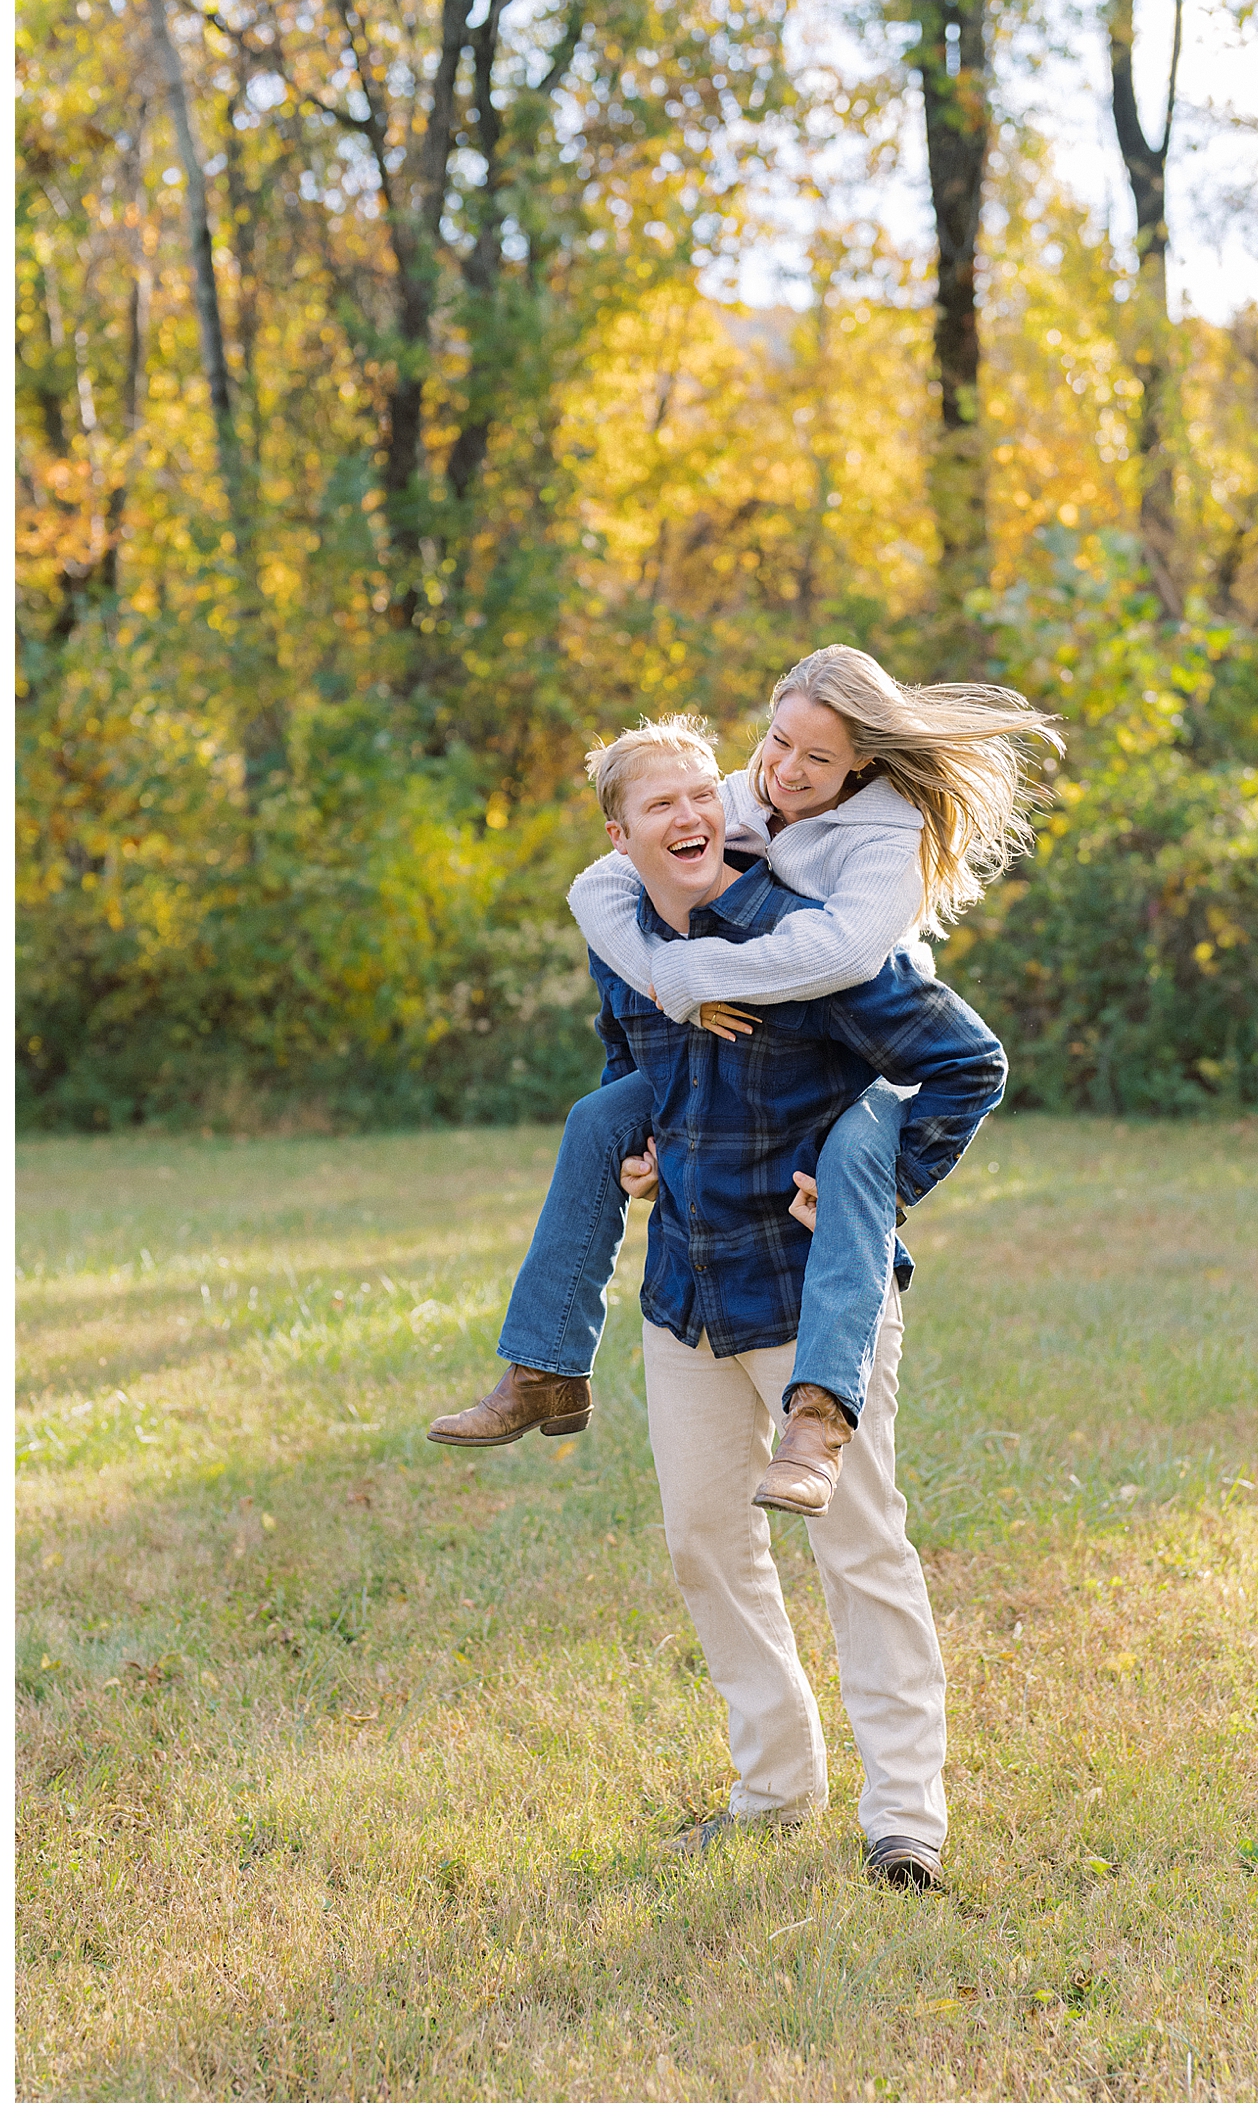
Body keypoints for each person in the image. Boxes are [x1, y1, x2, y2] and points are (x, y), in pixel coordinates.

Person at [436, 721, 1007, 1886]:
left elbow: (967, 1061)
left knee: (859, 1550)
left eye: (707, 792)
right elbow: (623, 1063)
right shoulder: (627, 941)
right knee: (704, 1541)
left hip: (808, 1297)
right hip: (684, 1292)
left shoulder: (812, 938)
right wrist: (634, 1145)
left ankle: (904, 1818)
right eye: (663, 805)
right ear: (623, 836)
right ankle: (776, 1785)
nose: (693, 815)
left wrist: (887, 1184)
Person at [427, 649, 1055, 1518]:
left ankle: (822, 1414)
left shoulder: (885, 831)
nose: (786, 772)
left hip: (860, 1032)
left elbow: (844, 956)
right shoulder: (741, 792)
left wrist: (695, 977)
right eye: (777, 742)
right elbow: (602, 885)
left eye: (816, 759)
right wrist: (665, 984)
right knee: (598, 1118)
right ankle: (544, 1367)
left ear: (860, 763)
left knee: (855, 1166)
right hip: (723, 1012)